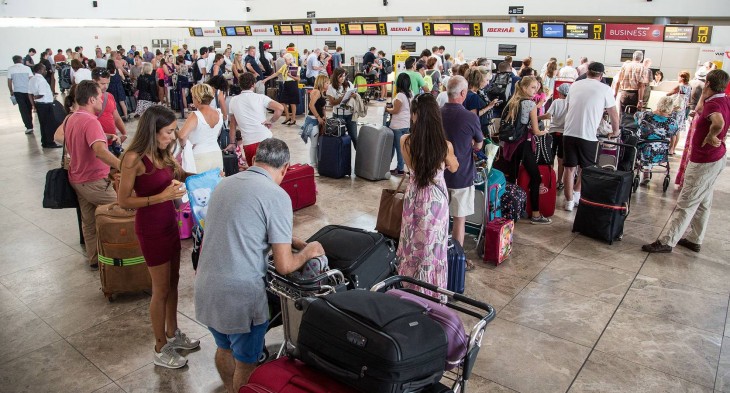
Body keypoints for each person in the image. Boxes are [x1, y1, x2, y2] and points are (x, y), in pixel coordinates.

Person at [195, 137, 324, 391]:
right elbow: (285, 265)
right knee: (246, 363)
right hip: (240, 297)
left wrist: (292, 240)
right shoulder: (277, 196)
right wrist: (308, 251)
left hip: (206, 287)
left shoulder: (224, 184)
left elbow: (244, 226)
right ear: (286, 168)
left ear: (254, 160)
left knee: (224, 348)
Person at [117, 105, 200, 369]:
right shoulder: (134, 158)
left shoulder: (163, 154)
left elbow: (181, 176)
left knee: (174, 282)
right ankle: (160, 345)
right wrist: (160, 197)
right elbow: (123, 200)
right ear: (152, 131)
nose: (173, 136)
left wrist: (208, 177)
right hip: (150, 228)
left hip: (169, 224)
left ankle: (174, 333)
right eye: (168, 131)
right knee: (160, 289)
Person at [642, 70, 730, 254]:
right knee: (704, 200)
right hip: (714, 158)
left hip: (705, 160)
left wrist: (712, 135)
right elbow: (699, 110)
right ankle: (694, 238)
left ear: (707, 83)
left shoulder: (714, 104)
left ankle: (668, 241)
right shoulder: (722, 99)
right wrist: (705, 95)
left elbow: (719, 122)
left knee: (687, 201)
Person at [397, 93, 459, 297]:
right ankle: (432, 293)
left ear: (415, 115)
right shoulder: (444, 146)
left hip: (414, 196)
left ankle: (409, 288)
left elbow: (412, 166)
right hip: (435, 200)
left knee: (411, 243)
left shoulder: (405, 141)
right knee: (433, 248)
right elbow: (455, 167)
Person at [61, 80, 121, 268]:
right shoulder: (90, 121)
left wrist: (106, 136)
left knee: (88, 221)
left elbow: (83, 140)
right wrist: (122, 166)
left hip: (77, 178)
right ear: (91, 99)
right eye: (100, 97)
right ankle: (122, 254)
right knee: (120, 211)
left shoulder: (71, 118)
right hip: (94, 181)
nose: (102, 99)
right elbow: (100, 151)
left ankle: (94, 258)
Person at [562, 62, 619, 211]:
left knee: (569, 168)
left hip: (568, 132)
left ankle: (568, 202)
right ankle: (576, 193)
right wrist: (616, 131)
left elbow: (569, 107)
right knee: (586, 168)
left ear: (587, 72)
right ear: (601, 75)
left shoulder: (575, 85)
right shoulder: (605, 88)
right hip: (588, 135)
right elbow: (613, 113)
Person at [500, 76, 552, 224]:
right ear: (524, 88)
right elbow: (535, 130)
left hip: (511, 145)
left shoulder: (513, 101)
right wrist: (545, 132)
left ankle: (508, 211)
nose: (535, 90)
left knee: (511, 178)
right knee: (536, 177)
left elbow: (522, 120)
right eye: (532, 87)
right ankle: (535, 214)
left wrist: (540, 117)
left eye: (537, 88)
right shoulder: (530, 104)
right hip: (524, 144)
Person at [441, 76, 484, 250]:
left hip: (438, 175)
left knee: (441, 217)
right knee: (459, 218)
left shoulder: (436, 113)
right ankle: (457, 258)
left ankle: (441, 253)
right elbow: (479, 144)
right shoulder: (469, 117)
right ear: (463, 93)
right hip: (462, 176)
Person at [226, 73, 284, 167]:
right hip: (266, 139)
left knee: (254, 172)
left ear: (240, 85)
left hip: (249, 142)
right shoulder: (260, 98)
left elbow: (233, 125)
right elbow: (280, 108)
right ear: (253, 84)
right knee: (270, 169)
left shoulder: (233, 100)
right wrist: (271, 121)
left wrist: (232, 143)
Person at [177, 84, 224, 173]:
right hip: (216, 153)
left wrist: (185, 146)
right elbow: (217, 134)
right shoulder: (218, 113)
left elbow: (182, 136)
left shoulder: (196, 115)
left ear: (197, 98)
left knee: (198, 185)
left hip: (199, 155)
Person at [635, 96, 679, 184]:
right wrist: (671, 148)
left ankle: (646, 171)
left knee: (646, 146)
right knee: (653, 146)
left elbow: (636, 118)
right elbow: (673, 136)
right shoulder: (672, 122)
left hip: (644, 147)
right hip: (661, 150)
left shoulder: (646, 115)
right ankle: (647, 170)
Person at [92, 67, 129, 148]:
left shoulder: (109, 96)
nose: (106, 86)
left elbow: (116, 117)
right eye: (102, 84)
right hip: (98, 143)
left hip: (113, 141)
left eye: (107, 83)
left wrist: (124, 133)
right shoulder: (88, 99)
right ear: (94, 82)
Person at [301, 74, 330, 172]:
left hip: (318, 120)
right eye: (326, 82)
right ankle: (313, 166)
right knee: (314, 144)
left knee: (317, 143)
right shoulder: (316, 92)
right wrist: (318, 117)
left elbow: (322, 107)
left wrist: (324, 116)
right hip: (312, 120)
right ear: (321, 82)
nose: (328, 84)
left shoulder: (322, 93)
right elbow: (311, 106)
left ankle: (316, 163)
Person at [29, 63, 62, 148]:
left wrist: (33, 104)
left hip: (39, 105)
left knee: (43, 124)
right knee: (49, 124)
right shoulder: (41, 80)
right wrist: (36, 97)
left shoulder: (32, 79)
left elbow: (29, 93)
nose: (46, 71)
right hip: (46, 105)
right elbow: (42, 94)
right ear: (40, 70)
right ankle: (50, 142)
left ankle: (45, 142)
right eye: (44, 69)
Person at [385, 73, 412, 176]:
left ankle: (400, 168)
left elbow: (395, 110)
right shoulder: (410, 94)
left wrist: (386, 109)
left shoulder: (400, 95)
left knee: (398, 148)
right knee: (405, 147)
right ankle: (404, 167)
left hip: (397, 125)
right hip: (406, 124)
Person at [545, 83, 571, 190]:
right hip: (565, 133)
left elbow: (548, 115)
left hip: (553, 132)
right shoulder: (571, 103)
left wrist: (536, 118)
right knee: (561, 159)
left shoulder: (556, 102)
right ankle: (559, 181)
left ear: (560, 92)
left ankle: (549, 179)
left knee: (550, 157)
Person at [327, 67, 358, 147]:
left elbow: (354, 95)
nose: (342, 78)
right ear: (336, 76)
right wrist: (343, 97)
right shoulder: (331, 87)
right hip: (338, 115)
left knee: (354, 137)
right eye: (340, 76)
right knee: (340, 138)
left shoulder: (349, 84)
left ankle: (360, 157)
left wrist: (354, 95)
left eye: (344, 76)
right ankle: (341, 157)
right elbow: (332, 103)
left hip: (350, 114)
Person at [667, 71, 692, 155]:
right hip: (682, 110)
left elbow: (669, 93)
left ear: (682, 77)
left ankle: (670, 149)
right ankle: (673, 148)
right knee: (678, 131)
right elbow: (689, 99)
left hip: (675, 109)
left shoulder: (680, 86)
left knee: (673, 130)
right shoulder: (689, 87)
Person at [271, 53, 300, 125]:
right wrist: (266, 79)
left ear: (290, 59)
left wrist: (290, 75)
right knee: (282, 101)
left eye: (285, 60)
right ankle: (287, 116)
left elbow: (298, 79)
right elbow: (276, 73)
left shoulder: (293, 66)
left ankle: (293, 118)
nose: (285, 61)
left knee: (292, 103)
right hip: (286, 84)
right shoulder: (285, 66)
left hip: (292, 85)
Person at [8, 55, 34, 134]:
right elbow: (31, 79)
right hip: (28, 91)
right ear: (21, 60)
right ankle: (30, 123)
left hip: (18, 92)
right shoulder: (27, 68)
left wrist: (11, 91)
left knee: (23, 109)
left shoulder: (10, 69)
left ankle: (28, 126)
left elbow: (9, 81)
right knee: (29, 108)